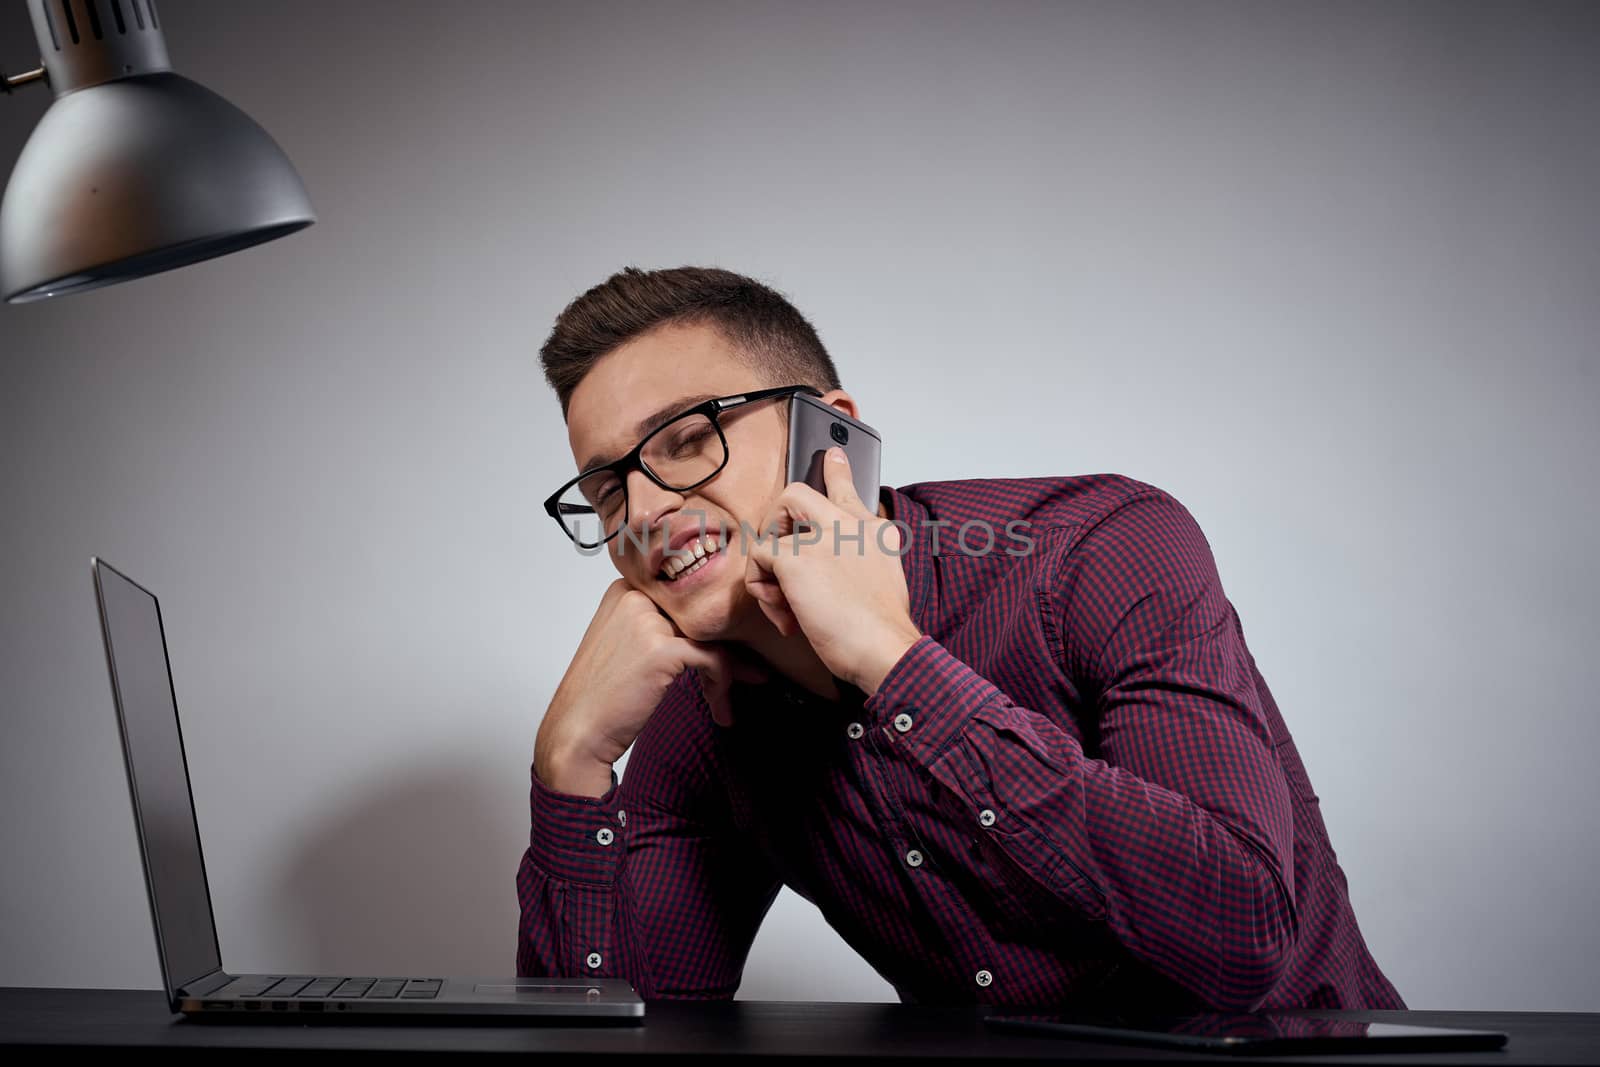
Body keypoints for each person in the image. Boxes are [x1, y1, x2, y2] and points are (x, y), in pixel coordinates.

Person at [517, 265, 1406, 1011]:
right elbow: (624, 1046)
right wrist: (570, 764)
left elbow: (1242, 939)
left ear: (830, 436)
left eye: (686, 440)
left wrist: (893, 662)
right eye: (604, 490)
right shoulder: (702, 722)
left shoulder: (1097, 550)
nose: (643, 513)